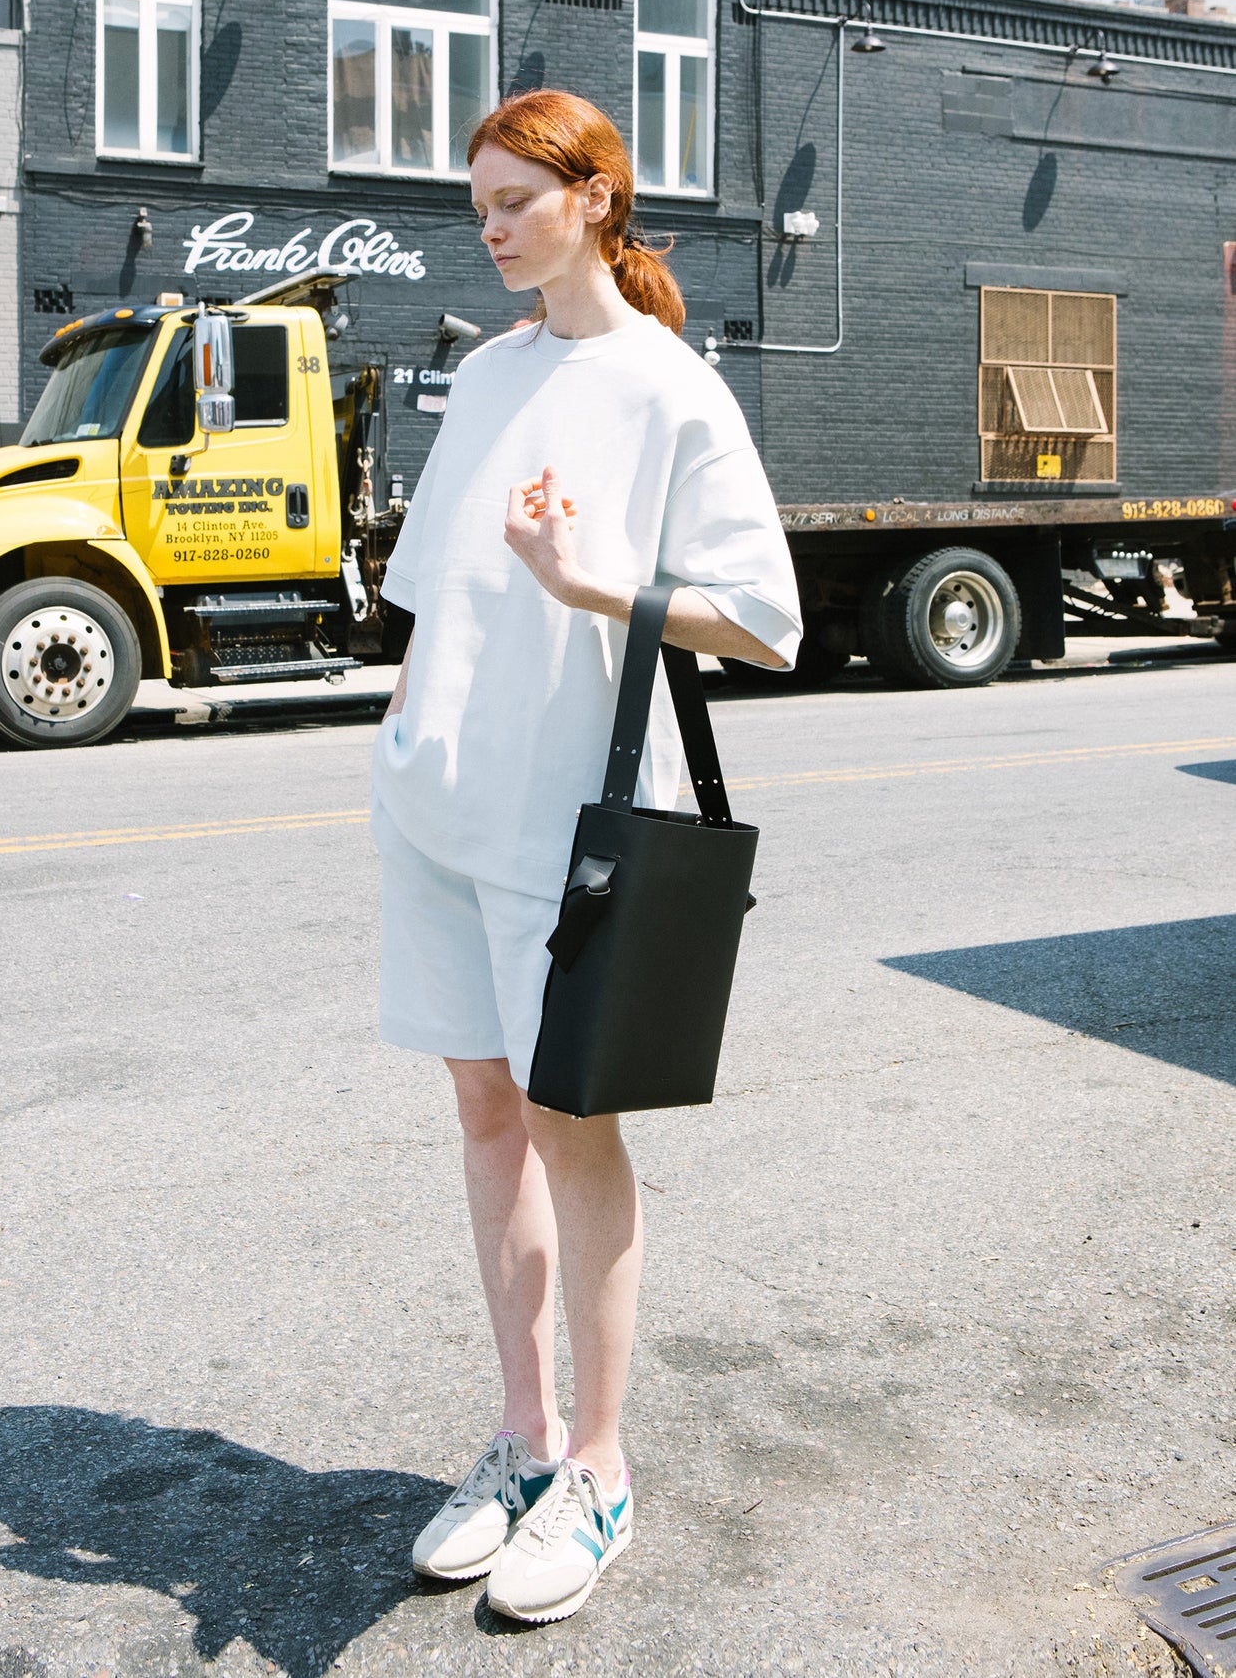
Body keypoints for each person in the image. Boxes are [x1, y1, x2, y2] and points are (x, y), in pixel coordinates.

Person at [370, 89, 802, 1624]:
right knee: (484, 1115)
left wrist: (595, 584)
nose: (485, 224)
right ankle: (518, 1437)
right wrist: (403, 729)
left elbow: (763, 622)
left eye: (510, 199)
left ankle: (603, 1466)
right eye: (474, 200)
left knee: (572, 1129)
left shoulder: (670, 392)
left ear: (595, 198)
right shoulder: (485, 374)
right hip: (434, 806)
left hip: (560, 826)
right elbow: (425, 593)